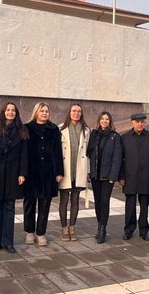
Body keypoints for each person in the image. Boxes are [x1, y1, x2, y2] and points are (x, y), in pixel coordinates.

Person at [0, 102, 27, 253]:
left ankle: (8, 241)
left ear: (16, 113)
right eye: (8, 110)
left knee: (9, 207)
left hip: (13, 173)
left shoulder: (21, 130)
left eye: (13, 110)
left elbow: (24, 154)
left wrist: (22, 173)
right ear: (3, 112)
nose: (10, 112)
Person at [24, 102, 63, 246]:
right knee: (29, 204)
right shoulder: (27, 128)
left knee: (45, 204)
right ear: (36, 112)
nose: (44, 113)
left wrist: (59, 171)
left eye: (47, 111)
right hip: (31, 172)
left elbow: (58, 151)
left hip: (48, 172)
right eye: (42, 111)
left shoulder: (53, 130)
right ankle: (29, 232)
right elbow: (23, 151)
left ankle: (40, 233)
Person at [120, 113, 149, 241]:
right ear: (132, 122)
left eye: (142, 122)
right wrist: (121, 176)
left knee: (144, 205)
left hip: (146, 176)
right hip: (129, 177)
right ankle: (129, 230)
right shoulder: (124, 137)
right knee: (130, 205)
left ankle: (144, 230)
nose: (140, 124)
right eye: (137, 122)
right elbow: (120, 159)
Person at [86, 111, 122, 244]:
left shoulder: (115, 136)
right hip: (96, 175)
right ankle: (99, 224)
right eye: (102, 119)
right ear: (99, 120)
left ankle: (103, 229)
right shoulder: (94, 134)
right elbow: (88, 154)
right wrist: (89, 172)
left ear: (110, 121)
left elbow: (117, 158)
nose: (104, 121)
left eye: (107, 119)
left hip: (107, 177)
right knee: (98, 201)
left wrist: (113, 176)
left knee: (105, 202)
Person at [58, 103, 90, 242]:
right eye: (74, 111)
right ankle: (64, 228)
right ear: (69, 112)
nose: (76, 113)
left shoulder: (87, 130)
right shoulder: (60, 128)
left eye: (79, 111)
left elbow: (89, 152)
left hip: (79, 168)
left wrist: (87, 171)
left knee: (76, 199)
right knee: (64, 199)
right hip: (65, 169)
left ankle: (72, 227)